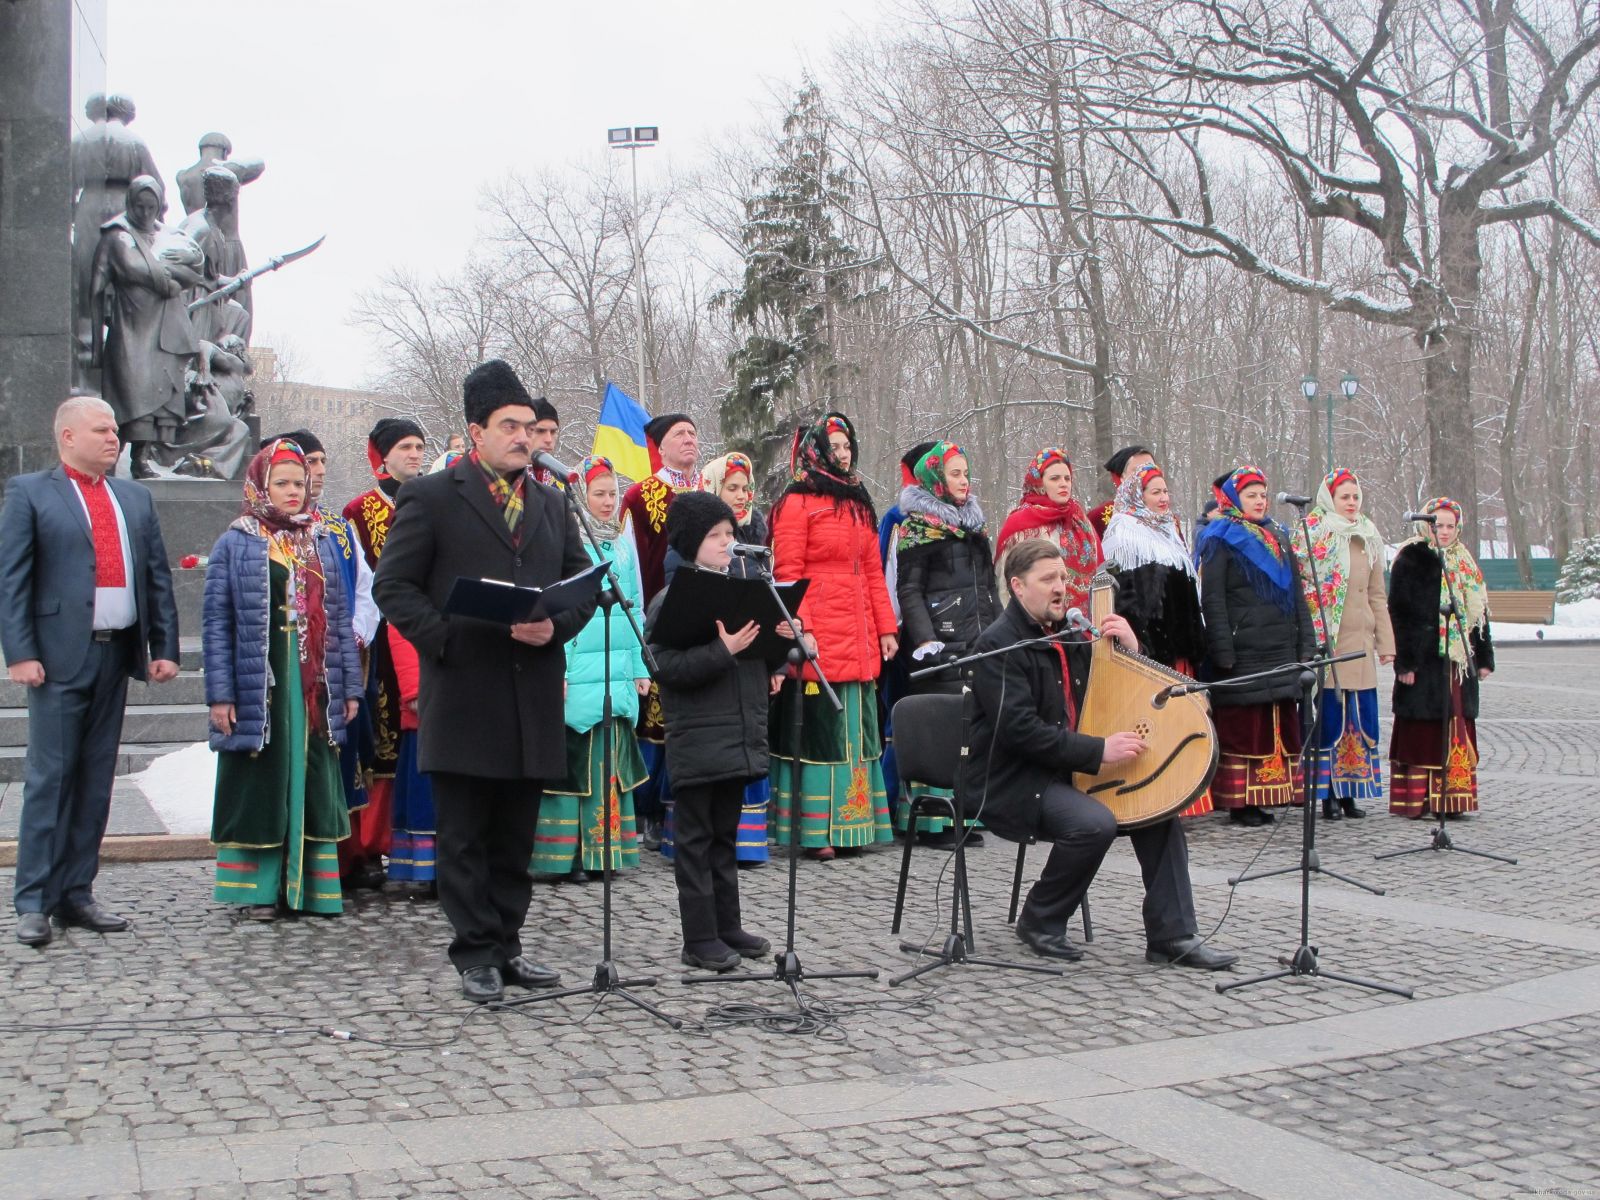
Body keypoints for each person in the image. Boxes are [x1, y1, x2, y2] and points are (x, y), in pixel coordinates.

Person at [373, 359, 595, 1004]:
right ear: (477, 432)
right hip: (465, 689)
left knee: (513, 836)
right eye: (510, 426)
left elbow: (584, 586)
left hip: (531, 692)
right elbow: (394, 587)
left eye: (530, 427)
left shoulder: (552, 503)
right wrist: (445, 638)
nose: (524, 438)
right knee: (465, 834)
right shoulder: (433, 496)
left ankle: (509, 944)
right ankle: (474, 952)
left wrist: (555, 629)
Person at [963, 539, 1237, 969]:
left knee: (1158, 807)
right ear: (1018, 586)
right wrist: (1099, 751)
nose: (1060, 588)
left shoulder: (1072, 633)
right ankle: (1040, 918)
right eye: (1048, 579)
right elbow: (1019, 733)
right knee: (1094, 823)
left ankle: (1173, 934)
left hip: (1070, 769)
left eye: (1064, 578)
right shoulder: (997, 645)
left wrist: (1131, 648)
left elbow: (1122, 690)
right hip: (1014, 778)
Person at [1, 396, 180, 948]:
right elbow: (14, 580)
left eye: (115, 430)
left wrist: (164, 645)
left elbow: (156, 578)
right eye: (101, 430)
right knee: (51, 778)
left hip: (115, 655)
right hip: (56, 660)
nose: (114, 438)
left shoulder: (134, 497)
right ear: (67, 437)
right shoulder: (31, 493)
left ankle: (77, 891)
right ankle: (34, 900)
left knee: (97, 780)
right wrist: (20, 653)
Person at [203, 439, 363, 918]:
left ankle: (312, 887)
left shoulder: (321, 540)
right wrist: (221, 694)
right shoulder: (238, 540)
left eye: (300, 482)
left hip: (315, 684)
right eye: (283, 483)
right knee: (262, 776)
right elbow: (217, 623)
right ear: (261, 485)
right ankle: (257, 889)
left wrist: (349, 686)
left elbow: (340, 617)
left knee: (313, 773)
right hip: (264, 683)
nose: (295, 491)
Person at [646, 492, 780, 970]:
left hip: (739, 734)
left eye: (729, 534)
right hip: (699, 739)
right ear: (690, 542)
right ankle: (698, 937)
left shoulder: (743, 587)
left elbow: (754, 654)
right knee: (697, 841)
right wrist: (720, 651)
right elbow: (663, 665)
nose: (727, 543)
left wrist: (780, 648)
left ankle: (728, 925)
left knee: (725, 835)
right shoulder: (674, 598)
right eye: (715, 536)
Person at [769, 413, 898, 860]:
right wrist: (802, 626)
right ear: (816, 449)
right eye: (834, 447)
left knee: (857, 731)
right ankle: (816, 830)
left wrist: (885, 628)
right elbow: (787, 573)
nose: (842, 454)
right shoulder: (797, 501)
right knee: (823, 731)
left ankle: (854, 824)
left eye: (847, 446)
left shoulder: (858, 500)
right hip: (821, 624)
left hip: (860, 626)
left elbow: (874, 574)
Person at [261, 428, 386, 867]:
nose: (312, 475)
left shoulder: (334, 528)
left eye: (318, 465)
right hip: (279, 664)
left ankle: (343, 854)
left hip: (337, 660)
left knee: (347, 749)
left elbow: (365, 589)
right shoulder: (251, 535)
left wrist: (355, 633)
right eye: (302, 466)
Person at [530, 456, 649, 881]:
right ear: (582, 496)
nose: (606, 502)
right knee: (574, 767)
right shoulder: (569, 542)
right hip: (577, 670)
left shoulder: (621, 545)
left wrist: (640, 668)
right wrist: (557, 672)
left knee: (610, 767)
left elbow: (635, 610)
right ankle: (566, 856)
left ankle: (605, 852)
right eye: (598, 493)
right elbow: (559, 609)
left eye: (613, 494)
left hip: (614, 669)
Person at [1195, 465, 1317, 826]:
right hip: (1243, 647)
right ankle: (1241, 801)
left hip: (1279, 647)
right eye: (1251, 495)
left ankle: (1270, 795)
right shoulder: (1219, 537)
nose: (1260, 501)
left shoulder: (1277, 536)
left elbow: (1297, 594)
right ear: (1234, 499)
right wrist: (1222, 649)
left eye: (1263, 495)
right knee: (1245, 728)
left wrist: (1304, 643)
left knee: (1274, 722)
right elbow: (1212, 599)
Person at [894, 441, 1001, 846]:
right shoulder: (917, 528)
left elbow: (988, 586)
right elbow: (909, 590)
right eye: (954, 473)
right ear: (936, 478)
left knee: (972, 724)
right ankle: (932, 822)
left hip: (978, 637)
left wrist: (997, 628)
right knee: (943, 724)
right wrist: (926, 639)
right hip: (940, 639)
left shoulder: (974, 527)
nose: (962, 481)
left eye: (965, 473)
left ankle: (968, 813)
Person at [339, 416, 428, 891]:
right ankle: (367, 846)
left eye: (419, 446)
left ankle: (410, 841)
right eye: (406, 447)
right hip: (377, 643)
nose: (415, 454)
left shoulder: (434, 502)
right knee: (378, 744)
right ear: (383, 456)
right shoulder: (360, 511)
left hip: (418, 638)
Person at [1100, 461, 1212, 818]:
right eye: (1155, 492)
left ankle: (1189, 793)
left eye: (1165, 491)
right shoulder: (1125, 532)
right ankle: (1162, 794)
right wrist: (1142, 645)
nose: (1164, 498)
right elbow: (1131, 598)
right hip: (1153, 647)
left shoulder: (1167, 531)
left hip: (1179, 646)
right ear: (1138, 496)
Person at [1292, 468, 1396, 820]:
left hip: (1361, 640)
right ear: (1330, 499)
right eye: (1344, 497)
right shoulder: (1314, 535)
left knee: (1360, 719)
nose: (1351, 503)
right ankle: (1327, 793)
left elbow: (1378, 594)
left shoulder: (1368, 535)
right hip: (1331, 641)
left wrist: (1386, 641)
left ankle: (1352, 790)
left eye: (1355, 497)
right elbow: (1305, 590)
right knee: (1331, 718)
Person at [620, 412, 702, 851]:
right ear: (660, 446)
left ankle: (679, 810)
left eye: (692, 433)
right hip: (659, 618)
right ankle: (647, 810)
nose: (689, 440)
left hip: (706, 620)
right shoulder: (640, 496)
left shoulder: (708, 488)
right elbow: (631, 563)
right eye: (679, 434)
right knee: (656, 720)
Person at [88, 175, 205, 477]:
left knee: (163, 392)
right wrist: (170, 277)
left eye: (150, 206)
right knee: (131, 391)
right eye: (138, 205)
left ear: (158, 205)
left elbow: (196, 271)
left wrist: (175, 274)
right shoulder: (117, 234)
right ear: (130, 203)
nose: (144, 211)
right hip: (131, 326)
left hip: (167, 327)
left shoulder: (171, 234)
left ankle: (146, 458)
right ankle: (112, 459)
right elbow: (126, 268)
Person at [1387, 498, 1494, 819]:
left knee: (1456, 724)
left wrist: (1485, 655)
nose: (1443, 532)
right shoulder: (1411, 557)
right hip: (1423, 658)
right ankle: (1420, 799)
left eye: (1450, 526)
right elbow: (1399, 613)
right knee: (1424, 730)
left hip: (1458, 662)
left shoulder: (1464, 561)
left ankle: (1452, 798)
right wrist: (1404, 661)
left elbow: (1480, 613)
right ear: (1425, 526)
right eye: (1438, 526)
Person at [699, 451, 771, 864]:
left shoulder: (758, 542)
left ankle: (748, 843)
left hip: (752, 670)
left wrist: (776, 659)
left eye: (746, 488)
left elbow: (770, 605)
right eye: (732, 488)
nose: (742, 496)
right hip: (715, 668)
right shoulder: (694, 550)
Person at [875, 442, 938, 813]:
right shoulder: (899, 519)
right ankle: (896, 806)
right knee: (904, 717)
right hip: (908, 633)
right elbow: (891, 576)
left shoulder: (962, 518)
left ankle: (942, 814)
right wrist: (891, 628)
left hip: (951, 633)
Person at [996, 447, 1103, 614]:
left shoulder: (1079, 517)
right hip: (1038, 622)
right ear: (1039, 482)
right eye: (1055, 478)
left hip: (1085, 623)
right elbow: (1008, 584)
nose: (1063, 484)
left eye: (1067, 478)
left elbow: (1099, 567)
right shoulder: (1021, 523)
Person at [1090, 445, 1156, 539]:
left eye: (1151, 469)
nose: (1146, 474)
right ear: (1121, 478)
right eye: (1137, 470)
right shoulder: (1099, 517)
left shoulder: (1165, 517)